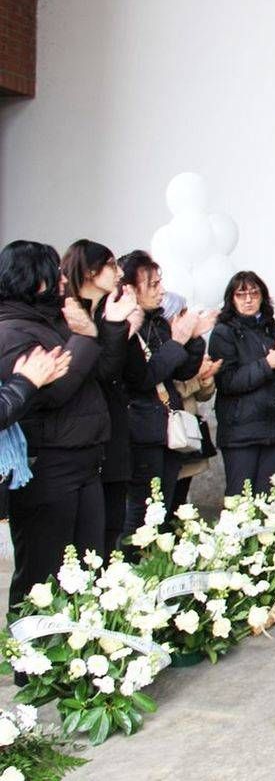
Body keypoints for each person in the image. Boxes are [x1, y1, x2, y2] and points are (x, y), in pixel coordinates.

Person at [0, 241, 125, 605]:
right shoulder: (12, 330)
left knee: (87, 567)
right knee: (41, 578)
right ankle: (31, 641)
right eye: (53, 273)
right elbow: (53, 392)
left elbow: (97, 371)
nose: (62, 279)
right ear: (32, 278)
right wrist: (83, 337)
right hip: (50, 464)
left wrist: (107, 328)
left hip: (84, 458)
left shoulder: (52, 318)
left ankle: (77, 639)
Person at [120, 251, 210, 539]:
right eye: (153, 285)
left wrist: (193, 339)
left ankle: (154, 563)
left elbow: (182, 371)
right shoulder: (123, 326)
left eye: (160, 283)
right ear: (130, 289)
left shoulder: (157, 322)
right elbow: (143, 378)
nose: (161, 291)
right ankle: (130, 565)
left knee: (164, 510)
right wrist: (179, 341)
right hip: (140, 429)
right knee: (140, 514)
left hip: (166, 427)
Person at [61, 239, 141, 554]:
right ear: (90, 271)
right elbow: (99, 372)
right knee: (81, 543)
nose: (119, 272)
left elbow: (135, 374)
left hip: (114, 431)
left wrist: (124, 327)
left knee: (111, 529)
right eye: (111, 265)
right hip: (79, 436)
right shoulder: (65, 314)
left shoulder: (111, 310)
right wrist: (112, 328)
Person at [207, 271, 275, 495]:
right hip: (241, 431)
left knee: (270, 502)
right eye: (241, 295)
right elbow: (228, 381)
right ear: (231, 299)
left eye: (254, 293)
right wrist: (268, 364)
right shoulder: (223, 333)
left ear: (263, 297)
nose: (248, 300)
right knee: (240, 501)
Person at [161, 293, 221, 506]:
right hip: (168, 434)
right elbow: (166, 389)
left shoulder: (190, 346)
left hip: (187, 435)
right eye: (182, 313)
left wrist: (206, 377)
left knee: (178, 502)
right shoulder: (163, 347)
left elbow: (204, 396)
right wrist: (196, 380)